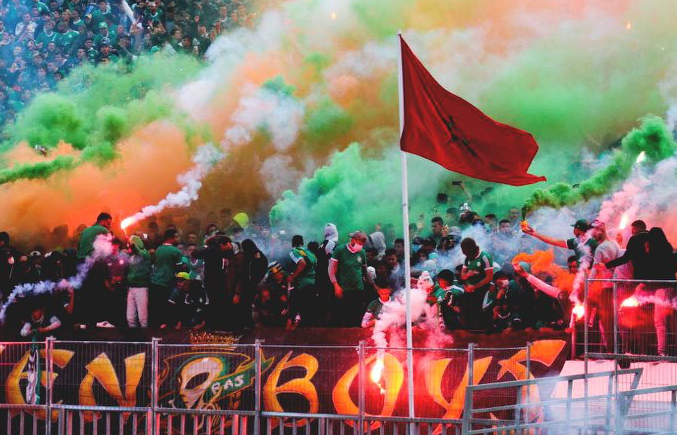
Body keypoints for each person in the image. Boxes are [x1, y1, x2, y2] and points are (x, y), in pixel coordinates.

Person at [191, 233, 237, 330]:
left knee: (221, 303)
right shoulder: (212, 249)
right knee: (216, 302)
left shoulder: (224, 251)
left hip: (221, 281)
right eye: (228, 244)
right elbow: (195, 253)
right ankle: (216, 325)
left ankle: (220, 324)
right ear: (222, 244)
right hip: (213, 281)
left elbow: (231, 253)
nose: (230, 246)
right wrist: (207, 247)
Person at [644, 227, 677, 356]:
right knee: (672, 321)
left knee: (659, 321)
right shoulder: (669, 249)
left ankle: (661, 351)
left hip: (661, 289)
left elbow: (651, 271)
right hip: (671, 287)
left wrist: (647, 252)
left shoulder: (655, 253)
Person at [329, 231, 372, 327]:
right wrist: (336, 285)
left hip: (358, 289)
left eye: (362, 244)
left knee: (356, 316)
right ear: (353, 240)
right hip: (343, 289)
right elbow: (331, 269)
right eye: (359, 244)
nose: (361, 246)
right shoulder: (340, 250)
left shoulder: (362, 252)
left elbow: (365, 272)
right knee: (341, 317)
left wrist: (374, 284)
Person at [149, 229, 184, 327]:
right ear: (171, 238)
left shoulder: (158, 249)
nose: (178, 239)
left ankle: (155, 330)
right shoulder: (176, 251)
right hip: (167, 283)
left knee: (156, 309)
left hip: (155, 282)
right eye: (176, 237)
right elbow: (179, 269)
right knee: (166, 308)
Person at [523, 219, 598, 262]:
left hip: (591, 279)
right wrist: (534, 233)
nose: (573, 231)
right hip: (583, 278)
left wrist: (534, 233)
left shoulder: (592, 242)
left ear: (577, 229)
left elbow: (553, 241)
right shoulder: (575, 242)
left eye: (574, 228)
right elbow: (553, 241)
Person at [460, 237, 494, 329]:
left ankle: (481, 331)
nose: (464, 254)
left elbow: (489, 277)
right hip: (469, 289)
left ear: (472, 249)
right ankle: (470, 331)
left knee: (479, 312)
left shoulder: (485, 257)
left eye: (466, 252)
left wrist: (475, 286)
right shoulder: (467, 258)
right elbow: (462, 275)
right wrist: (467, 275)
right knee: (467, 311)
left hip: (482, 289)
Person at [236, 239, 268, 329]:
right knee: (246, 304)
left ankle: (250, 324)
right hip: (247, 284)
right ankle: (247, 323)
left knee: (249, 304)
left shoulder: (258, 256)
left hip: (253, 285)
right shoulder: (247, 255)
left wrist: (256, 280)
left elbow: (261, 269)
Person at [287, 235, 317, 328]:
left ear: (292, 243)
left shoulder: (294, 251)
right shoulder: (309, 253)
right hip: (312, 285)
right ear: (302, 243)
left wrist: (292, 276)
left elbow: (302, 263)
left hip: (301, 286)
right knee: (308, 314)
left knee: (296, 312)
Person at [126, 235, 151, 328]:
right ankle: (133, 335)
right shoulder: (132, 257)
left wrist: (132, 245)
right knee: (130, 318)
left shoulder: (145, 254)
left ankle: (145, 335)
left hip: (141, 289)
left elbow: (140, 253)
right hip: (131, 288)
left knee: (142, 318)